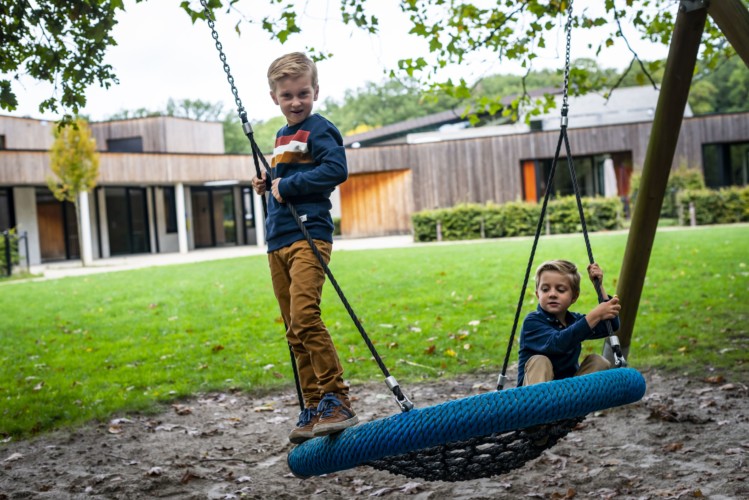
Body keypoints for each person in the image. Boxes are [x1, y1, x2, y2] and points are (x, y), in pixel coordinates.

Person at [251, 52, 356, 444]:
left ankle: (337, 398)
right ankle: (313, 406)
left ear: (316, 91)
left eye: (303, 93)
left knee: (306, 316)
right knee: (293, 329)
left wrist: (287, 185)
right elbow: (287, 178)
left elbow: (334, 170)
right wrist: (267, 182)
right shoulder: (281, 136)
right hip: (277, 239)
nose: (296, 101)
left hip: (309, 235)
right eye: (287, 95)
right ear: (274, 97)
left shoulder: (319, 128)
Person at [517, 259, 621, 386]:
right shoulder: (532, 322)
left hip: (568, 394)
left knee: (598, 361)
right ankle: (539, 405)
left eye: (560, 290)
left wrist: (599, 287)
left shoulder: (574, 321)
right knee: (540, 361)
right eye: (545, 289)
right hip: (533, 397)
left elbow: (611, 325)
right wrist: (595, 315)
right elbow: (558, 343)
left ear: (574, 297)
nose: (552, 294)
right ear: (538, 295)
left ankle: (579, 403)